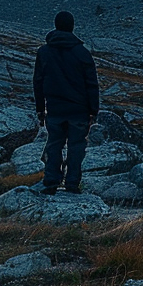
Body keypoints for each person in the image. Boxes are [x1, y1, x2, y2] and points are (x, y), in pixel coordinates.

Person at [33, 10, 99, 195]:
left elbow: (37, 81)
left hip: (54, 109)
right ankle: (72, 183)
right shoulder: (82, 53)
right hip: (79, 110)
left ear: (56, 25)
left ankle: (51, 181)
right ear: (72, 27)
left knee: (54, 143)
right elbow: (92, 84)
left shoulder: (44, 52)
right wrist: (94, 110)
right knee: (76, 146)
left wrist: (40, 109)